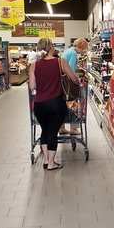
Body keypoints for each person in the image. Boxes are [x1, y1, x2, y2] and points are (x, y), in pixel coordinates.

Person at [29, 38, 79, 170]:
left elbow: (32, 86)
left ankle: (46, 160)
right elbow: (73, 78)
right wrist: (78, 81)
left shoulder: (34, 65)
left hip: (39, 105)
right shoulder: (59, 62)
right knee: (52, 132)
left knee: (45, 130)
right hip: (56, 104)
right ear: (50, 47)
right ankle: (51, 163)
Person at [61, 38, 88, 134]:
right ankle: (73, 128)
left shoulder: (67, 51)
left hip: (63, 83)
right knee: (74, 104)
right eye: (84, 49)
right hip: (69, 84)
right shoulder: (73, 53)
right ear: (81, 47)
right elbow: (71, 69)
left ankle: (62, 128)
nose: (84, 51)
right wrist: (77, 81)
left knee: (64, 104)